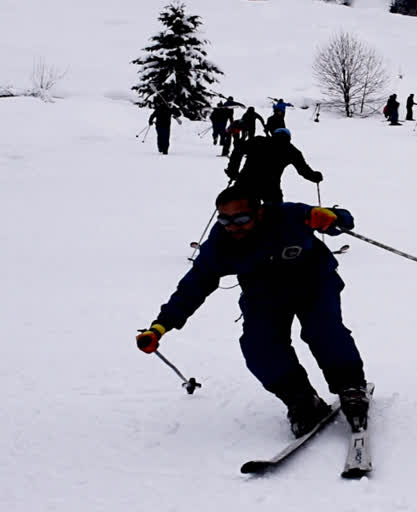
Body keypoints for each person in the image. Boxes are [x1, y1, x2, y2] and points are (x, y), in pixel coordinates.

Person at [135, 186, 369, 437]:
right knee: (259, 347)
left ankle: (350, 387)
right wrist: (161, 325)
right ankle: (301, 400)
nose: (233, 226)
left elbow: (344, 220)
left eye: (241, 219)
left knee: (323, 331)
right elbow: (194, 285)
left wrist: (330, 217)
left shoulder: (287, 215)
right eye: (225, 220)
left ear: (258, 212)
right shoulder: (220, 243)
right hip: (264, 294)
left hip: (314, 283)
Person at [225, 128, 323, 203]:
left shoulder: (258, 141)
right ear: (289, 138)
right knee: (275, 216)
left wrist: (233, 170)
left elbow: (237, 150)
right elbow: (303, 170)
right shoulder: (292, 151)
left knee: (240, 213)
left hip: (245, 182)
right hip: (270, 187)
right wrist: (315, 176)